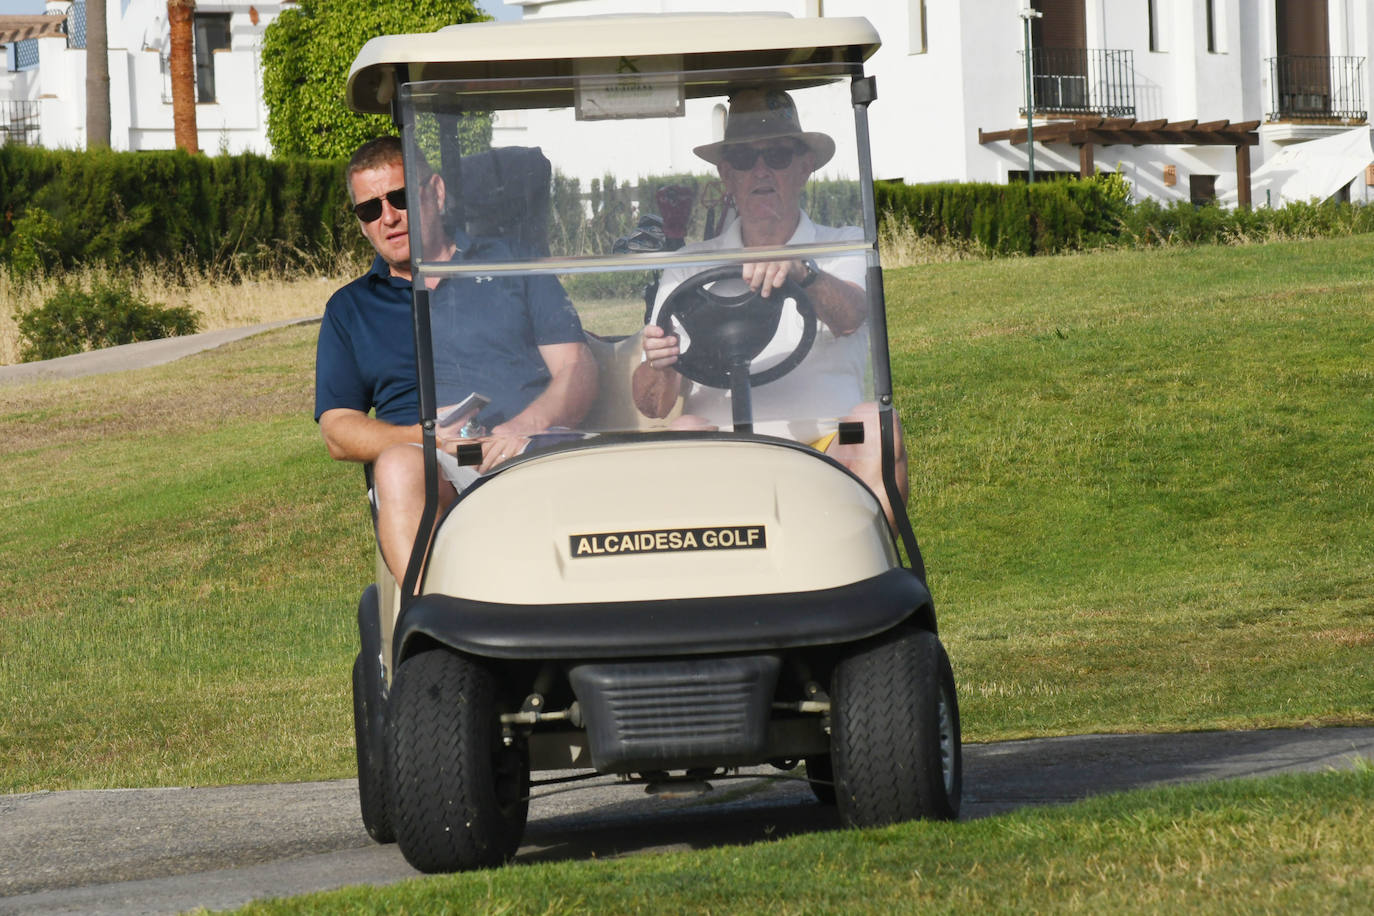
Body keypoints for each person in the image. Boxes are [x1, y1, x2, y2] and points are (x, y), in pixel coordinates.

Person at [315, 136, 597, 582]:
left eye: (401, 198)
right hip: (431, 461)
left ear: (437, 191)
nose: (388, 217)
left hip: (524, 442)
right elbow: (338, 431)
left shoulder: (511, 264)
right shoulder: (350, 309)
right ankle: (432, 630)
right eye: (370, 209)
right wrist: (428, 437)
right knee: (397, 464)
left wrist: (521, 427)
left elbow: (576, 370)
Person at [631, 88, 908, 524]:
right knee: (682, 433)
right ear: (727, 174)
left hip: (827, 441)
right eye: (744, 159)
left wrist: (802, 271)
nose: (761, 170)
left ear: (805, 166)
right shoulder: (689, 267)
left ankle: (863, 573)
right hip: (722, 446)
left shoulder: (841, 246)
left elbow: (852, 315)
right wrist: (659, 365)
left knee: (876, 426)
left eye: (777, 155)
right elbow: (653, 405)